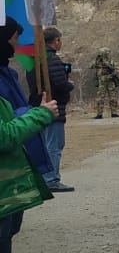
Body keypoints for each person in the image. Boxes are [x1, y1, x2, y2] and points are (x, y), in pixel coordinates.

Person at [0, 17, 59, 253]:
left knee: (7, 232)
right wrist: (38, 114)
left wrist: (31, 108)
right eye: (14, 39)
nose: (16, 46)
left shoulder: (7, 70)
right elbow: (5, 133)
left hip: (10, 176)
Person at [26, 25, 73, 192]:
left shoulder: (34, 59)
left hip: (37, 106)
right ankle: (51, 179)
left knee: (45, 144)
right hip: (53, 106)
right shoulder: (52, 59)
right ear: (56, 41)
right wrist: (70, 85)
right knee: (54, 144)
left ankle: (44, 178)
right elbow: (60, 83)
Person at [93, 48, 119, 118]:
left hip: (110, 81)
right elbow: (91, 66)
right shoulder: (98, 62)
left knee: (113, 97)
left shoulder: (111, 62)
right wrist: (97, 60)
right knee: (100, 98)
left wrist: (112, 74)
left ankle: (114, 112)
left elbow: (118, 69)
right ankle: (99, 114)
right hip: (102, 82)